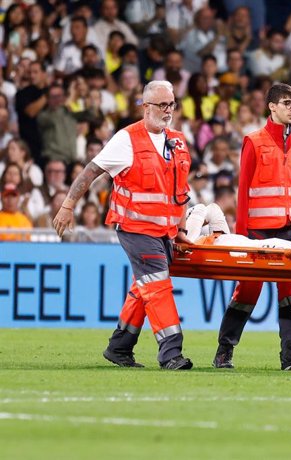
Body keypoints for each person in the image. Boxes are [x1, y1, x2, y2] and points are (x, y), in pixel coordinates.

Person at [53, 81, 194, 371]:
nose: (168, 110)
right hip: (135, 227)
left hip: (165, 230)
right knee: (157, 285)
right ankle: (171, 353)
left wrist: (181, 226)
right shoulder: (126, 139)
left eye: (171, 104)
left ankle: (120, 347)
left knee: (144, 287)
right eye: (162, 105)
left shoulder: (177, 140)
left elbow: (181, 188)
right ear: (145, 107)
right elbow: (91, 171)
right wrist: (68, 205)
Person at [214, 83, 291, 372]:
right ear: (271, 106)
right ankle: (225, 350)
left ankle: (290, 353)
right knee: (247, 291)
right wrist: (242, 234)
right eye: (286, 103)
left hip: (289, 230)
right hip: (257, 232)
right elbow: (243, 189)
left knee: (290, 292)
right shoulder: (254, 141)